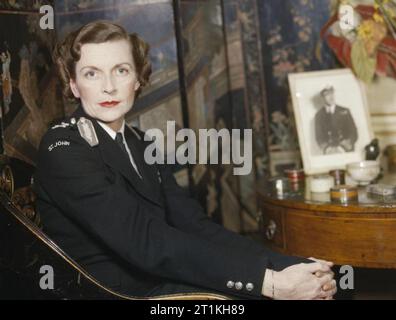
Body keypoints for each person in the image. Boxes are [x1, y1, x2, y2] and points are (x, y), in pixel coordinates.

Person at [34, 21, 336, 300]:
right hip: (118, 294)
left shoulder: (138, 142)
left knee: (327, 288)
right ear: (73, 85)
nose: (109, 86)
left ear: (138, 79)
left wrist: (290, 265)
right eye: (91, 73)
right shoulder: (63, 148)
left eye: (121, 70)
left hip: (158, 279)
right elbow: (147, 241)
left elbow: (195, 226)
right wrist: (269, 282)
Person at [314, 85, 358, 155]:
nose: (331, 97)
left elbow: (353, 131)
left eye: (332, 93)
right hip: (329, 150)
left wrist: (348, 142)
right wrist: (327, 148)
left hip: (346, 149)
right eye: (327, 95)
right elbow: (319, 136)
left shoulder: (344, 111)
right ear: (322, 98)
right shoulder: (319, 115)